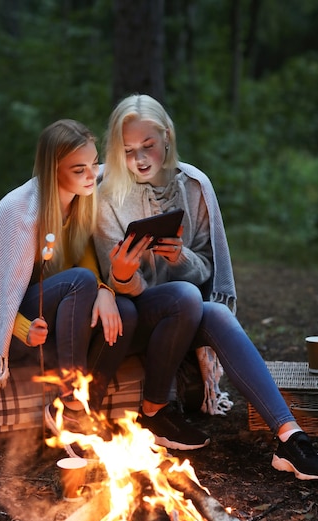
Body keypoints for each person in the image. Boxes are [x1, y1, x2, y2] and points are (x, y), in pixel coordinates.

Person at [93, 94, 318, 480]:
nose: (140, 159)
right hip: (130, 319)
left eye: (148, 146)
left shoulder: (194, 186)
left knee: (209, 308)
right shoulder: (105, 193)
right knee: (183, 296)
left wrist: (179, 258)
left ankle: (290, 438)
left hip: (186, 311)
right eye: (128, 151)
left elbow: (209, 274)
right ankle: (154, 411)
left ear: (167, 137)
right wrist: (125, 273)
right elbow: (116, 292)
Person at [0, 119, 137, 455]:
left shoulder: (83, 200)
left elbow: (87, 259)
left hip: (57, 322)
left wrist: (106, 292)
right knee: (78, 283)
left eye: (94, 164)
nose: (93, 175)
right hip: (11, 336)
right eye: (80, 169)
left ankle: (83, 407)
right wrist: (21, 329)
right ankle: (70, 403)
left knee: (125, 311)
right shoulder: (18, 212)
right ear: (53, 171)